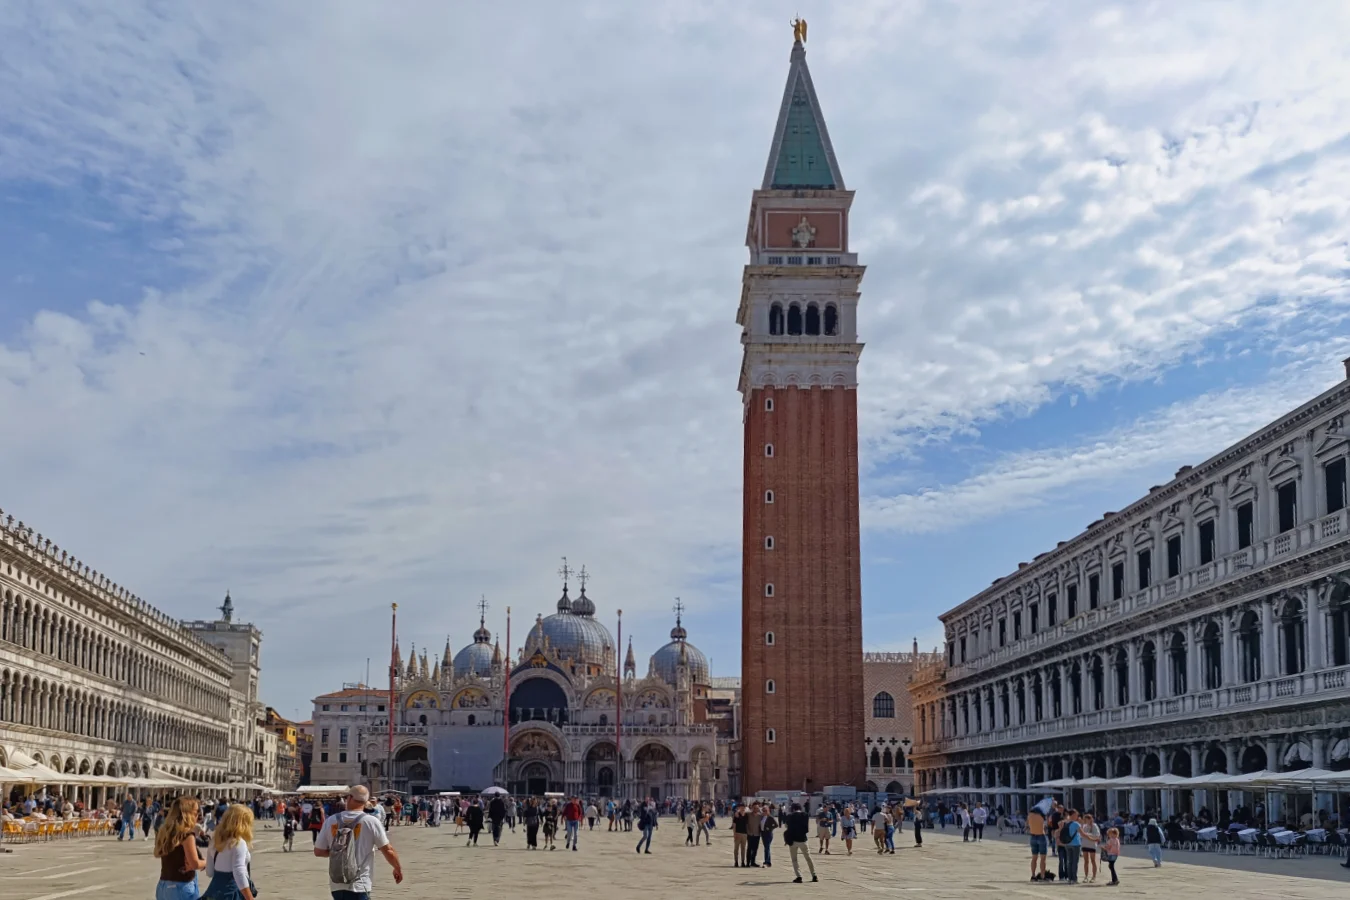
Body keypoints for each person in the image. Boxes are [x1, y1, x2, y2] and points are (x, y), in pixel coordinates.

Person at [314, 785, 403, 900]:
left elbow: (318, 851)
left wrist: (338, 851)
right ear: (366, 801)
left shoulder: (331, 820)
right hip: (360, 884)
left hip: (337, 885)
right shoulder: (371, 821)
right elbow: (388, 850)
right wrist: (397, 868)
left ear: (349, 798)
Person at [154, 797, 205, 900]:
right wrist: (207, 862)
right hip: (181, 886)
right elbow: (195, 864)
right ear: (187, 814)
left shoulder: (166, 832)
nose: (197, 816)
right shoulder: (187, 835)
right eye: (195, 812)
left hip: (163, 885)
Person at [201, 804, 256, 900]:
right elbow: (239, 872)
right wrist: (250, 898)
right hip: (232, 891)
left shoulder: (215, 840)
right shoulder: (238, 842)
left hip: (214, 891)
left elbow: (209, 872)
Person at [783, 802, 818, 884]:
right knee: (808, 858)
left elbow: (787, 827)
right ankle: (814, 875)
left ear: (793, 808)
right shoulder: (805, 815)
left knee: (794, 859)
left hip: (793, 840)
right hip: (803, 839)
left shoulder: (790, 816)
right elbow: (806, 829)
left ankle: (799, 876)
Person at [1027, 799, 1050, 881]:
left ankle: (1033, 875)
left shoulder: (1030, 816)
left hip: (1033, 836)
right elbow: (1047, 825)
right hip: (1041, 836)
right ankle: (1043, 876)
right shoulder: (1041, 816)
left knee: (1034, 858)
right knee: (1043, 858)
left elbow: (1027, 825)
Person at [1058, 809, 1082, 884]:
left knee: (1069, 862)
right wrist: (1093, 838)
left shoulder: (1065, 823)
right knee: (1075, 862)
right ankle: (1074, 878)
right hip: (1076, 844)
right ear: (1073, 815)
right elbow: (1083, 834)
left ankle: (1070, 878)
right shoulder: (1076, 824)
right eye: (1076, 815)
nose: (1077, 816)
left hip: (1067, 844)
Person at [1079, 814, 1101, 883]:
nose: (1085, 821)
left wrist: (1086, 835)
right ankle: (1086, 876)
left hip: (1092, 845)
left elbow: (1097, 835)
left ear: (1090, 819)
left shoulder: (1094, 826)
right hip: (1085, 844)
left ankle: (1094, 876)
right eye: (1084, 819)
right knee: (1086, 861)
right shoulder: (1084, 826)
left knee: (1093, 861)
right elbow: (1081, 834)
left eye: (1086, 819)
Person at [745, 801, 763, 866]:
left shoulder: (760, 816)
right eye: (754, 808)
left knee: (755, 849)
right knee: (749, 849)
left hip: (757, 834)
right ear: (752, 808)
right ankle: (747, 862)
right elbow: (740, 812)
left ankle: (753, 862)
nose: (756, 809)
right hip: (750, 834)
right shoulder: (748, 814)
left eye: (757, 808)